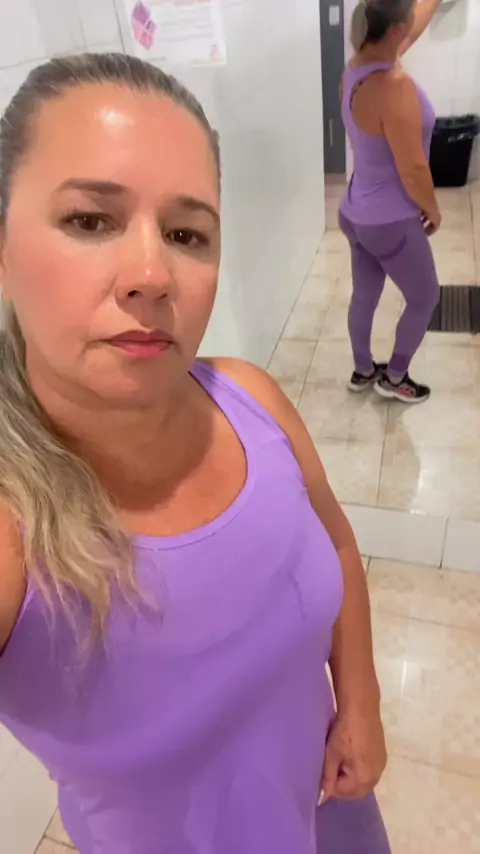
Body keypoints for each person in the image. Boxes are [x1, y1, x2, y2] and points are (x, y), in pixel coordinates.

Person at [0, 53, 389, 854]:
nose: (152, 275)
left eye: (187, 234)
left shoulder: (252, 400)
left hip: (335, 815)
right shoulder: (14, 535)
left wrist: (360, 702)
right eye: (90, 220)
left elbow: (340, 548)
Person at [340, 0, 442, 404]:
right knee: (425, 297)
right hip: (390, 221)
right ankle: (396, 377)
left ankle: (362, 370)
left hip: (355, 212)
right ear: (396, 31)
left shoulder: (355, 68)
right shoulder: (394, 87)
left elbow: (412, 22)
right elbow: (413, 169)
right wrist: (432, 209)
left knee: (365, 293)